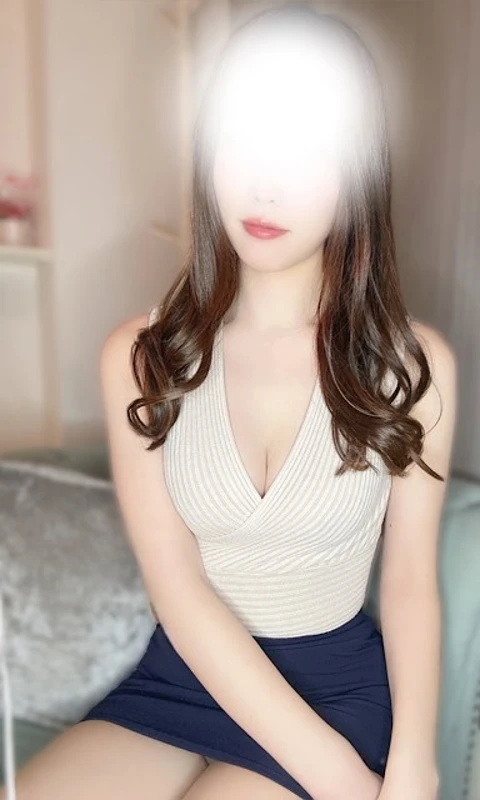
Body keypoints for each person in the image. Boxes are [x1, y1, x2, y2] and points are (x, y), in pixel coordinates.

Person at [7, 3, 456, 799]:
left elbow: (411, 579)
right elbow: (176, 586)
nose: (263, 183)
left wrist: (412, 768)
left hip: (334, 689)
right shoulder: (140, 358)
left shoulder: (411, 367)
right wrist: (342, 785)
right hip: (184, 672)